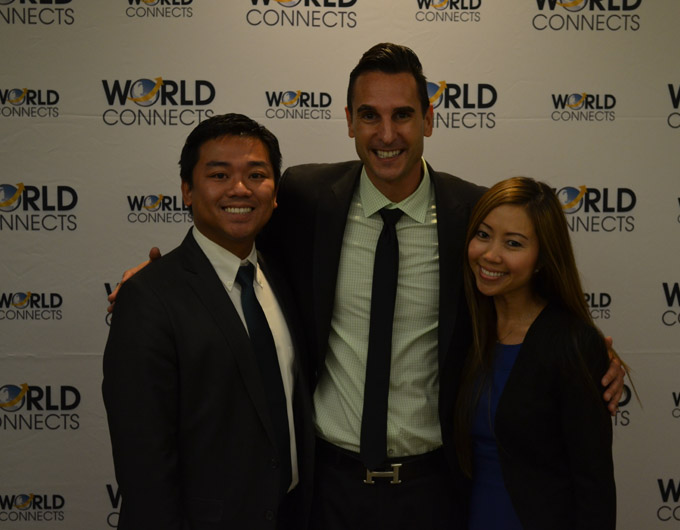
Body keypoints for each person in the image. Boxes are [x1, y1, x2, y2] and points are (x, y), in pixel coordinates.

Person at [108, 44, 625, 530]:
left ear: (428, 119)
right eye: (370, 115)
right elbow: (231, 232)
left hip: (436, 489)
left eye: (403, 115)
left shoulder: (472, 214)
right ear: (349, 121)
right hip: (326, 489)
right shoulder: (305, 197)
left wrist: (585, 356)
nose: (387, 133)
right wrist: (161, 280)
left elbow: (521, 296)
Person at [102, 114, 314, 530]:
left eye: (256, 175)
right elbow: (144, 464)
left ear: (274, 194)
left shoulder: (286, 278)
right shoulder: (148, 297)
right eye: (219, 175)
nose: (240, 189)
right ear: (187, 190)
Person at [455, 177, 616, 529]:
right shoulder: (464, 331)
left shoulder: (572, 343)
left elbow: (594, 486)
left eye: (513, 243)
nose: (491, 254)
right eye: (483, 235)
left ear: (542, 257)